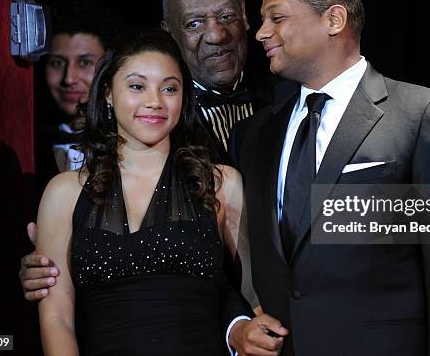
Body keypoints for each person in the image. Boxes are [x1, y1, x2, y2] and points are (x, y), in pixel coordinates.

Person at [230, 0, 430, 355]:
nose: (261, 32)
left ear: (334, 19)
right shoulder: (254, 135)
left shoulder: (423, 115)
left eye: (277, 17)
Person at [36, 29, 286, 355]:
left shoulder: (222, 185)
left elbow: (254, 300)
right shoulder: (64, 192)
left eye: (169, 88)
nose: (154, 101)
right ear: (108, 93)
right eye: (137, 86)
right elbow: (57, 319)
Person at [161, 0, 278, 163]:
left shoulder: (289, 97)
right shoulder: (159, 116)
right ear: (170, 35)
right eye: (194, 24)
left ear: (244, 15)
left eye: (226, 16)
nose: (216, 36)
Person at [35, 0, 121, 196]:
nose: (69, 78)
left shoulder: (133, 143)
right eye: (57, 63)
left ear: (109, 67)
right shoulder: (29, 144)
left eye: (84, 62)